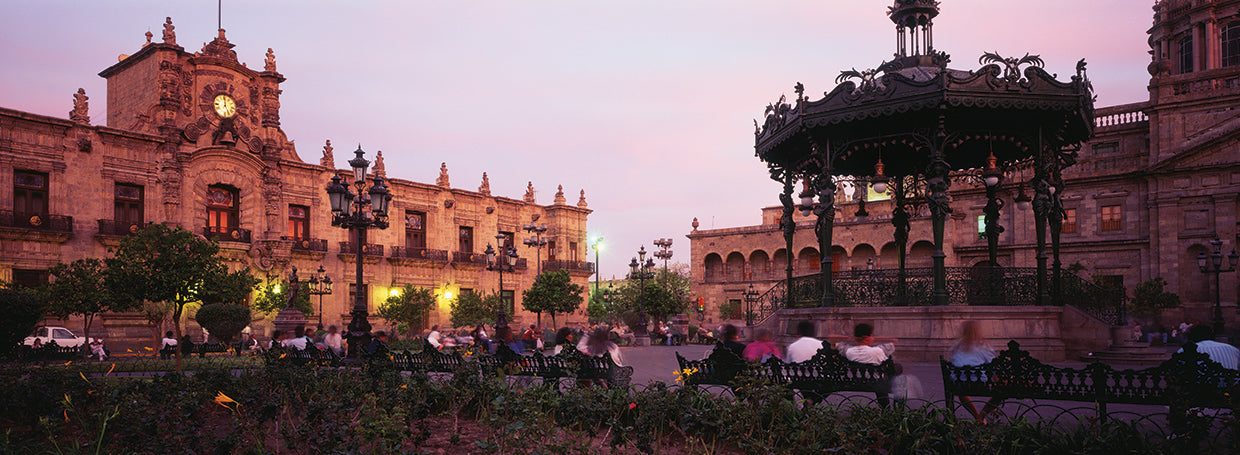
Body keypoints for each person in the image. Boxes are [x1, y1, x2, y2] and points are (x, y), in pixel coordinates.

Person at [946, 321, 1000, 421]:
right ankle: (981, 417)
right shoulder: (983, 345)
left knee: (962, 393)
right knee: (1001, 393)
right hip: (980, 383)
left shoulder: (957, 345)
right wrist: (997, 380)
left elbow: (952, 361)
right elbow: (993, 365)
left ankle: (977, 416)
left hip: (960, 383)